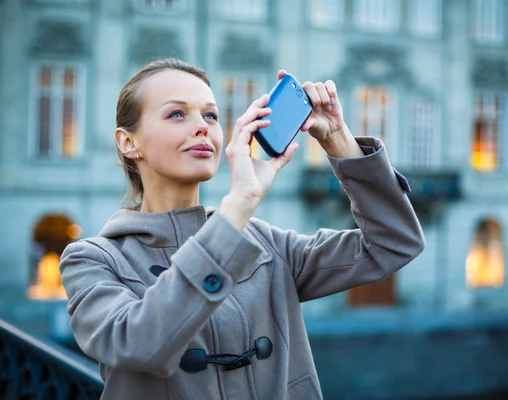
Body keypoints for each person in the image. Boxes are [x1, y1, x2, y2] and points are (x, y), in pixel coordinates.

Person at [59, 58, 425, 400]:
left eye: (211, 115)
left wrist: (338, 140)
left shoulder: (265, 242)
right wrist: (238, 206)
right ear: (128, 142)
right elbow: (137, 345)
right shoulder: (91, 260)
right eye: (176, 114)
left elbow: (394, 242)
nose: (203, 126)